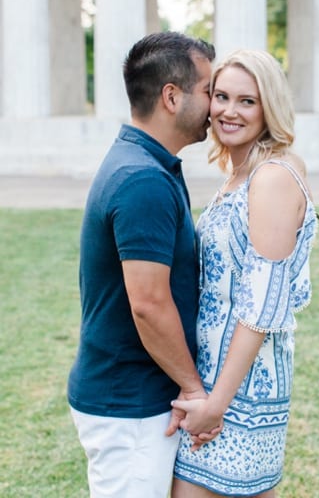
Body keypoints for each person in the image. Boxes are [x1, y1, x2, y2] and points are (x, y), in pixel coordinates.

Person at [67, 31, 220, 497]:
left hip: (138, 397)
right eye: (209, 91)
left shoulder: (149, 164)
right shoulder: (141, 179)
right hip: (127, 405)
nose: (216, 106)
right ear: (172, 97)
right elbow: (148, 305)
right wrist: (194, 391)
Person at [170, 49, 317, 497]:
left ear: (268, 106)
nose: (229, 111)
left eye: (247, 101)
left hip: (243, 387)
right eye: (221, 96)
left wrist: (217, 403)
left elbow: (262, 305)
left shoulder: (272, 176)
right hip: (214, 378)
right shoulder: (238, 174)